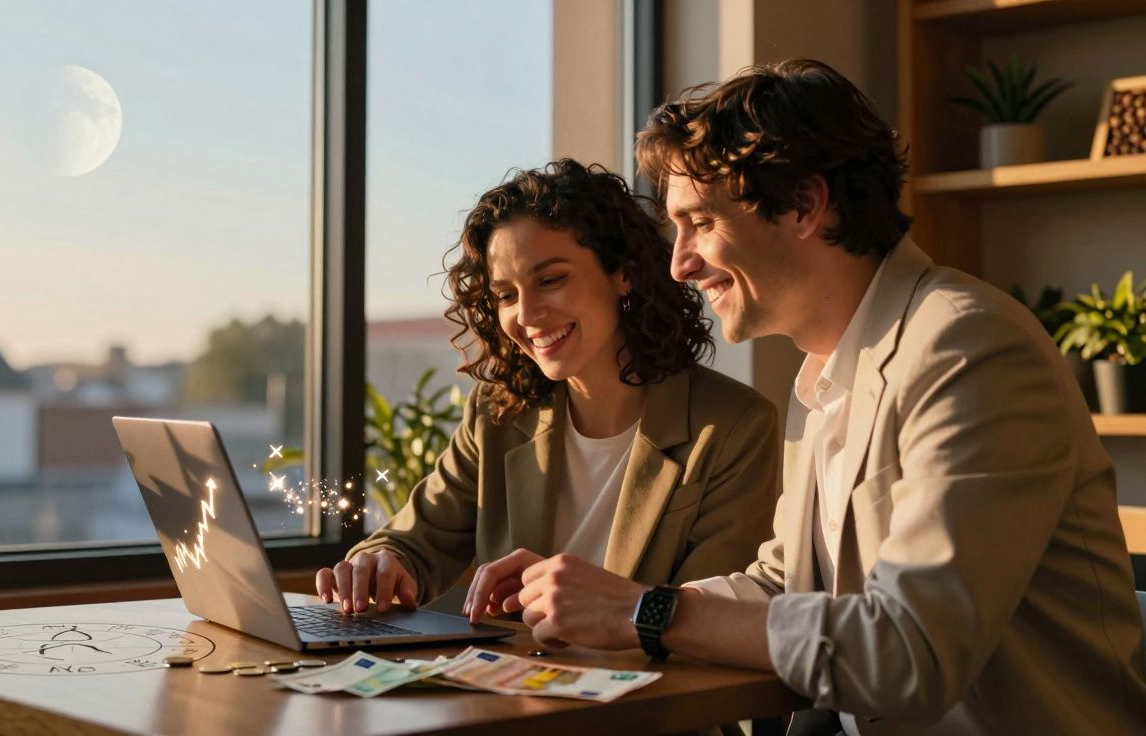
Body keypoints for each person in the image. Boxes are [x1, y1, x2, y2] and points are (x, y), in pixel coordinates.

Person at [483, 61, 1146, 734]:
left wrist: (641, 613)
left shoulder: (970, 349)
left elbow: (909, 651)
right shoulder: (829, 369)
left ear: (804, 204)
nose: (680, 263)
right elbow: (785, 586)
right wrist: (604, 603)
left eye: (701, 222)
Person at [317, 158, 780, 618]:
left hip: (645, 688)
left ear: (623, 273)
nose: (527, 313)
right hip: (510, 685)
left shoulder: (734, 427)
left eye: (551, 280)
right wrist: (378, 565)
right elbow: (418, 539)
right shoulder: (498, 414)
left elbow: (711, 620)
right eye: (506, 295)